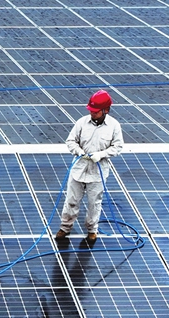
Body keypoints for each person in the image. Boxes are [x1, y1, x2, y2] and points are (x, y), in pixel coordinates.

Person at [55, 90, 124, 250]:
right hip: (78, 170)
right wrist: (79, 152)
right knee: (71, 201)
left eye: (95, 111)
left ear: (105, 110)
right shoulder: (81, 123)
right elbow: (71, 141)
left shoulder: (114, 126)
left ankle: (92, 230)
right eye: (91, 111)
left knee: (94, 203)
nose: (92, 113)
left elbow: (118, 147)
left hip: (97, 174)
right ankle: (65, 228)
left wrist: (101, 154)